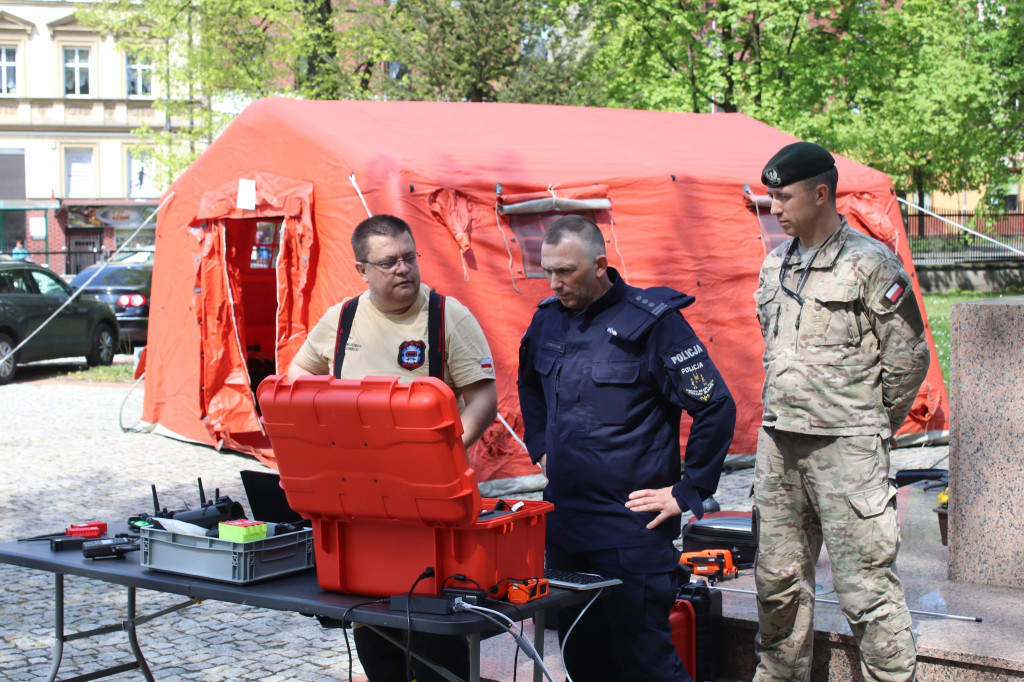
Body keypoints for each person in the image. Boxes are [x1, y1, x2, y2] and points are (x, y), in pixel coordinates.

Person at [517, 215, 736, 682]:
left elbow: (716, 406)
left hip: (630, 527)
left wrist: (687, 490)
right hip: (567, 523)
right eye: (547, 271)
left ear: (599, 264)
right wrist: (539, 445)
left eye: (566, 272)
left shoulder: (655, 324)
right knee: (582, 657)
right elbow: (528, 384)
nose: (555, 283)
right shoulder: (547, 320)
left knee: (645, 661)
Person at [288, 214, 497, 682]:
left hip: (433, 502)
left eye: (409, 257)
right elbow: (297, 379)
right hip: (359, 505)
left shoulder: (447, 315)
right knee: (374, 626)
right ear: (362, 269)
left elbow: (483, 396)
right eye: (388, 262)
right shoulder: (341, 319)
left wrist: (443, 453)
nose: (403, 269)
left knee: (436, 637)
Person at [752, 142, 930, 682]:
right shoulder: (776, 262)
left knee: (866, 589)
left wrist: (868, 424)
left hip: (847, 449)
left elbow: (909, 358)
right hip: (780, 444)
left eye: (783, 198)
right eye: (771, 198)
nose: (775, 209)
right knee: (776, 583)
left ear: (821, 193)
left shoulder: (870, 262)